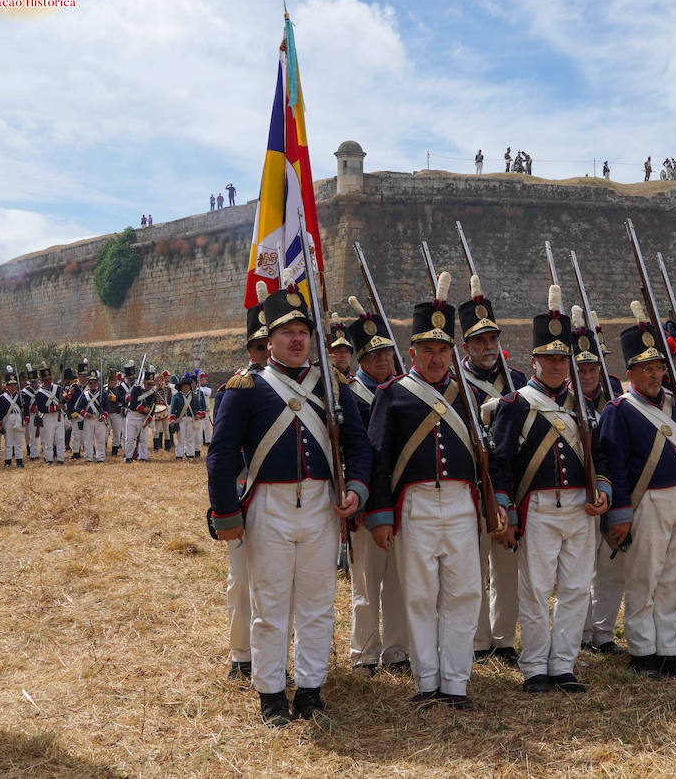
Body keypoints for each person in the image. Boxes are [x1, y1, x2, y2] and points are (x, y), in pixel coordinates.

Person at [207, 285, 371, 726]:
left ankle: (311, 690)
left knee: (318, 604)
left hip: (321, 504)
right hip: (269, 506)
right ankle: (272, 694)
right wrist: (226, 513)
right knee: (270, 604)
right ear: (270, 340)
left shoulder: (332, 386)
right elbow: (221, 455)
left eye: (303, 332)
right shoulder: (245, 388)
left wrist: (356, 488)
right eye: (287, 332)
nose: (297, 340)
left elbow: (358, 445)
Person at [366, 274, 501, 710]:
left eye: (443, 350)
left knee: (465, 594)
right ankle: (427, 682)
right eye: (427, 350)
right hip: (416, 504)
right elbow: (378, 459)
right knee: (420, 595)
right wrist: (381, 515)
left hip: (461, 504)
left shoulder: (466, 395)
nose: (436, 358)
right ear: (412, 354)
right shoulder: (392, 395)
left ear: (452, 352)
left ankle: (456, 683)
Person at [489, 286, 610, 693]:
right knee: (536, 590)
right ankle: (535, 666)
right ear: (535, 361)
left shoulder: (582, 406)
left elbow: (601, 457)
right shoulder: (515, 404)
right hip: (539, 507)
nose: (557, 366)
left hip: (579, 506)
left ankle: (563, 665)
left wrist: (603, 491)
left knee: (575, 590)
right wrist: (507, 509)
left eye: (562, 359)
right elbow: (501, 463)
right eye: (550, 359)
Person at [598, 301, 676, 678]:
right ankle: (642, 652)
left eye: (658, 367)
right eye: (646, 369)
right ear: (630, 372)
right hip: (646, 503)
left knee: (674, 579)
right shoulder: (619, 410)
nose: (655, 375)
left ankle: (667, 649)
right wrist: (620, 513)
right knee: (643, 580)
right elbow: (615, 464)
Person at [457, 275, 527, 662]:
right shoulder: (454, 383)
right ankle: (478, 640)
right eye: (479, 341)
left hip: (511, 483)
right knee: (473, 568)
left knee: (507, 567)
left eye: (492, 339)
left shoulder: (517, 382)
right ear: (466, 346)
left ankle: (503, 639)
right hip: (471, 483)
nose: (487, 347)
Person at [343, 293, 409, 674]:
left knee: (399, 581)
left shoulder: (403, 392)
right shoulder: (349, 395)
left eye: (386, 352)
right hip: (364, 501)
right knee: (366, 584)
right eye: (374, 353)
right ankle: (365, 653)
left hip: (400, 498)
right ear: (362, 358)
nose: (382, 359)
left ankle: (398, 651)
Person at [210, 290, 270, 682]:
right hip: (245, 491)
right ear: (250, 349)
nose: (266, 351)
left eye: (269, 343)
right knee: (241, 581)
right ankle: (242, 655)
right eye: (260, 346)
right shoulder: (238, 387)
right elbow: (224, 452)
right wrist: (226, 504)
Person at [573, 307, 627, 655]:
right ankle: (580, 633)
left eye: (593, 367)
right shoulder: (563, 397)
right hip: (579, 493)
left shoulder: (615, 393)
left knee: (611, 565)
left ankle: (603, 633)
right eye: (582, 369)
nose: (589, 374)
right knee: (579, 569)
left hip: (616, 489)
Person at [122, 366, 159, 462]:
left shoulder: (153, 393)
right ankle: (128, 456)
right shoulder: (136, 389)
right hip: (132, 415)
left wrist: (149, 418)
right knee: (130, 438)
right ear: (144, 382)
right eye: (148, 384)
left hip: (143, 418)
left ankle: (142, 457)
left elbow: (153, 408)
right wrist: (143, 409)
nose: (150, 386)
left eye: (151, 384)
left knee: (143, 439)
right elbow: (133, 403)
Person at [72, 372, 109, 463]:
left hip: (99, 419)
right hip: (88, 420)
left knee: (100, 439)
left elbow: (107, 408)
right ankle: (88, 457)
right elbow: (78, 408)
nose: (93, 385)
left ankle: (100, 457)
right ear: (88, 383)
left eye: (94, 383)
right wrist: (85, 414)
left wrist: (104, 416)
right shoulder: (84, 394)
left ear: (97, 383)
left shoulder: (102, 394)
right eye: (91, 383)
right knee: (88, 439)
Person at [33, 365, 66, 465]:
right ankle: (49, 459)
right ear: (42, 380)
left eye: (49, 379)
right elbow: (42, 408)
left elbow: (64, 400)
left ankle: (60, 458)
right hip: (47, 417)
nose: (48, 381)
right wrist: (56, 407)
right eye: (45, 380)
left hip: (59, 416)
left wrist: (68, 396)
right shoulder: (39, 393)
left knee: (60, 438)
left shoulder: (58, 388)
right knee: (48, 439)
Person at [169, 375, 207, 461]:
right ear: (181, 387)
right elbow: (173, 409)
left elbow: (198, 408)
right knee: (180, 438)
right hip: (180, 420)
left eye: (188, 385)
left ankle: (190, 455)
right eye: (184, 386)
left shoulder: (194, 396)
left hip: (191, 419)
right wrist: (172, 420)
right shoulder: (176, 396)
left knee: (190, 438)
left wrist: (198, 414)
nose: (186, 387)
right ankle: (179, 455)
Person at [0, 374, 26, 467]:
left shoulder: (21, 396)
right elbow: (0, 413)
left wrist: (26, 418)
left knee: (18, 440)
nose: (13, 387)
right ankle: (7, 460)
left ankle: (19, 460)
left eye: (14, 385)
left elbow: (25, 409)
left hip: (18, 418)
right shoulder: (2, 398)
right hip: (8, 419)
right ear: (7, 386)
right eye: (10, 385)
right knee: (8, 441)